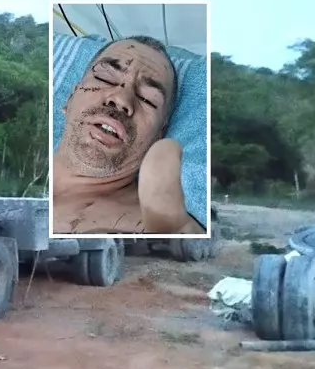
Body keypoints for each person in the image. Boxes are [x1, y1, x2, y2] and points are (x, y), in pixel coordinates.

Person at [52, 35, 204, 234]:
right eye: (105, 77)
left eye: (148, 99)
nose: (121, 98)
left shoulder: (153, 224)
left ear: (160, 134)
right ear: (70, 99)